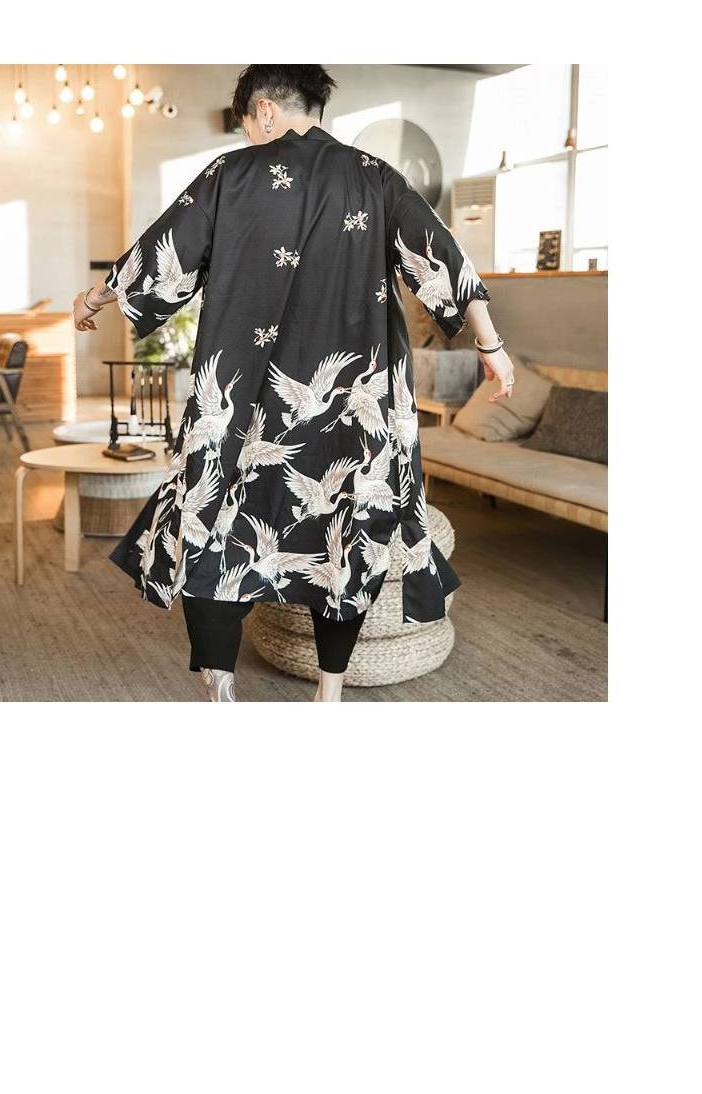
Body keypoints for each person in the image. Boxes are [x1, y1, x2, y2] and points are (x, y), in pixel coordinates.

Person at [74, 65, 515, 702]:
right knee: (346, 540)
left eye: (247, 126)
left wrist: (93, 299)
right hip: (352, 413)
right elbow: (445, 258)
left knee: (215, 528)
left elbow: (159, 254)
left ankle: (220, 684)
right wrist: (492, 347)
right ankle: (328, 694)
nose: (250, 137)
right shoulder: (375, 177)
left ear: (264, 111)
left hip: (242, 408)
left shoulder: (230, 175)